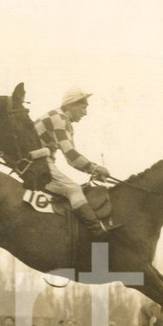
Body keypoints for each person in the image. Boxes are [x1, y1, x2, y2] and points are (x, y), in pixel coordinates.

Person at [34, 88, 119, 237]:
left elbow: (71, 160)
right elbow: (71, 155)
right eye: (83, 107)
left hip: (40, 160)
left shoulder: (60, 118)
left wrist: (92, 169)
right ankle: (97, 232)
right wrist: (94, 168)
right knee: (73, 189)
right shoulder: (59, 119)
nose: (85, 113)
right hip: (37, 163)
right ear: (72, 105)